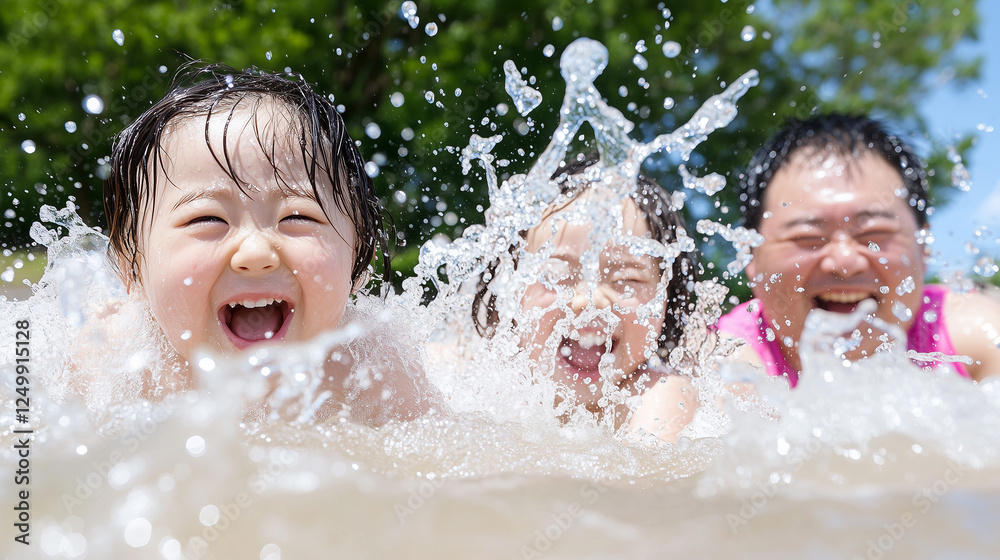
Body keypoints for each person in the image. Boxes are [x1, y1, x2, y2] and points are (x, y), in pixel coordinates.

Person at [88, 63, 429, 422]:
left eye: (296, 216)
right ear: (131, 265)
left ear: (360, 254)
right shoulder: (115, 360)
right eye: (207, 219)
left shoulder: (372, 368)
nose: (255, 253)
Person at [719, 113, 1000, 385]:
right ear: (750, 254)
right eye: (808, 237)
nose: (844, 262)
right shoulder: (725, 365)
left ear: (923, 245)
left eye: (874, 234)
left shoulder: (973, 335)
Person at [470, 156, 699, 426]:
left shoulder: (659, 394)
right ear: (511, 287)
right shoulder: (476, 378)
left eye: (627, 279)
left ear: (665, 300)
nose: (591, 301)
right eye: (557, 275)